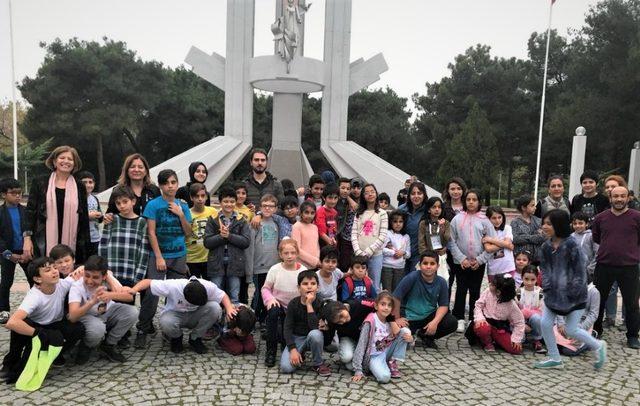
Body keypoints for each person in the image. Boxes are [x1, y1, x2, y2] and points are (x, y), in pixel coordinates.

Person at [534, 209, 607, 369]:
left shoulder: (572, 245)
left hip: (574, 297)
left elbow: (581, 272)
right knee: (545, 324)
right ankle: (555, 358)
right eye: (543, 223)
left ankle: (598, 345)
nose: (544, 227)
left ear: (558, 225)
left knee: (571, 329)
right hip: (552, 295)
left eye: (548, 223)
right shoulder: (546, 246)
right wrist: (547, 287)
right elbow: (544, 269)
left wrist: (570, 293)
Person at [1, 258, 85, 383]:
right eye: (48, 270)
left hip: (55, 324)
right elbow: (12, 322)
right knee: (21, 326)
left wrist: (80, 267)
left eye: (54, 268)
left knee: (78, 329)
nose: (54, 272)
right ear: (38, 279)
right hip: (36, 326)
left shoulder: (62, 284)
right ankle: (10, 363)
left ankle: (56, 356)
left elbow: (86, 268)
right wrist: (38, 333)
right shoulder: (34, 296)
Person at [136, 169, 192, 349]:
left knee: (177, 293)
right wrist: (159, 256)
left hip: (179, 254)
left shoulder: (182, 205)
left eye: (173, 182)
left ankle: (171, 330)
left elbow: (188, 233)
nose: (170, 186)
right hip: (158, 255)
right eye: (166, 183)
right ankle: (142, 328)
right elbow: (151, 232)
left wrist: (181, 214)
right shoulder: (153, 205)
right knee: (152, 293)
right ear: (160, 186)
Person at [126, 276, 236, 354]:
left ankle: (195, 338)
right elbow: (148, 282)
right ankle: (177, 338)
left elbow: (223, 296)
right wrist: (134, 290)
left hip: (196, 315)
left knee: (215, 307)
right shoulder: (173, 286)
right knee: (165, 321)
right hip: (176, 315)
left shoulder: (208, 286)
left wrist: (229, 308)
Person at [24, 145, 90, 263]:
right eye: (62, 158)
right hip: (42, 240)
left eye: (70, 159)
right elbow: (30, 212)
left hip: (72, 240)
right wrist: (27, 239)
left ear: (74, 164)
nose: (66, 161)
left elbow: (84, 218)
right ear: (54, 161)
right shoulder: (40, 182)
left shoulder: (80, 186)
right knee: (44, 273)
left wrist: (87, 248)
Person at [592, 186, 640, 349]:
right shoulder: (600, 218)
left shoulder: (637, 217)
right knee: (598, 300)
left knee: (632, 302)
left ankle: (633, 335)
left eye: (623, 196)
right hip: (604, 265)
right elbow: (597, 237)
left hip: (629, 266)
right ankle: (596, 330)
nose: (619, 199)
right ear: (610, 198)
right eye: (616, 196)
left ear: (628, 198)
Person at [67, 255, 137, 364]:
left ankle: (108, 345)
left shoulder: (108, 279)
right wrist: (92, 302)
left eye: (95, 277)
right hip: (87, 315)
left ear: (104, 276)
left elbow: (129, 297)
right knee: (97, 329)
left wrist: (110, 294)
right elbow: (72, 317)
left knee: (132, 312)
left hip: (107, 311)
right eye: (87, 276)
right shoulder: (77, 286)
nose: (90, 281)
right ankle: (86, 345)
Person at [449, 190, 496, 333]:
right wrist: (461, 258)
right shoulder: (457, 219)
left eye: (474, 199)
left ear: (478, 202)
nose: (471, 202)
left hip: (477, 263)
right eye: (468, 199)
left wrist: (480, 260)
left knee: (475, 290)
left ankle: (473, 318)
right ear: (464, 201)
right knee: (461, 289)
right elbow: (451, 241)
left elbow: (492, 244)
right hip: (461, 262)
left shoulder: (485, 221)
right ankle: (459, 318)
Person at [393, 251, 458, 349]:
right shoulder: (412, 277)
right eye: (425, 263)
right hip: (409, 317)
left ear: (437, 266)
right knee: (403, 342)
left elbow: (443, 305)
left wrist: (434, 322)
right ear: (420, 265)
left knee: (452, 322)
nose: (428, 266)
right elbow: (395, 297)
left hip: (428, 316)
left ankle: (425, 336)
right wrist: (397, 319)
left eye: (432, 264)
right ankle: (413, 333)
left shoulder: (441, 282)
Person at [261, 239, 307, 367]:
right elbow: (265, 288)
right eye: (286, 253)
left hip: (295, 307)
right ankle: (271, 350)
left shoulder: (302, 270)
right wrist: (270, 299)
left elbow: (307, 290)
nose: (289, 256)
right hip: (279, 304)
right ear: (280, 255)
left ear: (297, 253)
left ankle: (293, 346)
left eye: (292, 253)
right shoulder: (275, 269)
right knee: (273, 313)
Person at [203, 186, 250, 304]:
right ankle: (217, 320)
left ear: (236, 202)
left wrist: (229, 236)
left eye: (232, 201)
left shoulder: (241, 220)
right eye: (225, 201)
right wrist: (221, 236)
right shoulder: (213, 219)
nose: (229, 204)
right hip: (216, 262)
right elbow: (207, 242)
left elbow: (245, 242)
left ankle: (233, 321)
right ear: (220, 202)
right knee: (215, 296)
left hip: (235, 262)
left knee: (234, 296)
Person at [351, 291, 412, 383]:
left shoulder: (390, 320)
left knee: (406, 331)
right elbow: (361, 344)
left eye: (389, 305)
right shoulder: (370, 321)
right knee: (384, 378)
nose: (386, 308)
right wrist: (358, 370)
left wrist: (411, 340)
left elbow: (401, 338)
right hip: (374, 356)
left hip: (387, 351)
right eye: (383, 304)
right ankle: (378, 366)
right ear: (376, 306)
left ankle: (392, 362)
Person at [280, 270, 332, 376]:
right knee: (286, 368)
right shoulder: (293, 304)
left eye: (313, 284)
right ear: (299, 288)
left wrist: (309, 305)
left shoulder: (320, 303)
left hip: (312, 337)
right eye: (305, 284)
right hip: (296, 337)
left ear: (317, 287)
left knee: (315, 334)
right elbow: (287, 328)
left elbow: (314, 327)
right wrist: (293, 349)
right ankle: (300, 353)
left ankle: (318, 363)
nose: (309, 287)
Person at [247, 194, 287, 325]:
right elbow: (250, 247)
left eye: (271, 206)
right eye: (265, 206)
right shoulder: (255, 223)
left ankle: (264, 318)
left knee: (269, 293)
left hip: (273, 266)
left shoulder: (276, 223)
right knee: (259, 294)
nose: (267, 209)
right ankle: (255, 317)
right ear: (260, 207)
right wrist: (250, 268)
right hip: (259, 266)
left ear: (275, 209)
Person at [98, 185, 150, 287]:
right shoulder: (112, 220)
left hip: (131, 274)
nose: (122, 206)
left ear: (133, 201)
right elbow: (103, 246)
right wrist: (104, 270)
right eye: (118, 203)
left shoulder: (142, 222)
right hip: (111, 274)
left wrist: (139, 276)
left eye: (125, 202)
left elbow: (144, 251)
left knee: (127, 302)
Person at [470, 274, 524, 354]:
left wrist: (516, 339)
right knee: (482, 328)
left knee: (516, 349)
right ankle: (487, 342)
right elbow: (478, 305)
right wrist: (480, 318)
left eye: (492, 285)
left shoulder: (511, 304)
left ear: (499, 291)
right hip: (485, 322)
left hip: (499, 328)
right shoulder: (487, 292)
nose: (489, 285)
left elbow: (519, 322)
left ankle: (496, 340)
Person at [0, 178, 30, 324]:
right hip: (7, 252)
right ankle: (3, 310)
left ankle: (34, 308)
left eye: (20, 193)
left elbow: (31, 232)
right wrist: (8, 254)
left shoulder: (26, 211)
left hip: (26, 251)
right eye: (13, 193)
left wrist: (27, 251)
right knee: (6, 282)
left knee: (33, 278)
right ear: (4, 195)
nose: (18, 196)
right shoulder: (0, 213)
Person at [601, 175, 627, 328]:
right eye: (608, 187)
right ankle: (610, 317)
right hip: (608, 256)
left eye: (614, 186)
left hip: (628, 258)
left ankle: (627, 320)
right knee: (610, 290)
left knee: (629, 292)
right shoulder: (605, 210)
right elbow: (598, 235)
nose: (610, 190)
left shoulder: (633, 211)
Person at [351, 183, 388, 291]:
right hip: (359, 255)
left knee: (374, 285)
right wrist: (358, 252)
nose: (370, 194)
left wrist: (369, 251)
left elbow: (383, 235)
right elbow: (353, 234)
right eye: (366, 193)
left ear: (376, 194)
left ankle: (375, 306)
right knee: (360, 285)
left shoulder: (382, 213)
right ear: (363, 196)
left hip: (376, 255)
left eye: (372, 191)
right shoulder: (359, 213)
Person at [321, 300, 375, 371]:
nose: (343, 320)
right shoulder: (332, 321)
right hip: (348, 339)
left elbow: (377, 305)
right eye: (339, 322)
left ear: (343, 306)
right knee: (347, 358)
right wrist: (326, 330)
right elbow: (327, 342)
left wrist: (391, 320)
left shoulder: (359, 305)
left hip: (367, 339)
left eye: (341, 316)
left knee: (355, 364)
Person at [105, 153, 161, 218]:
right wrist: (108, 217)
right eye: (132, 167)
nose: (136, 170)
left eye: (140, 167)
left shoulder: (154, 190)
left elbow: (160, 213)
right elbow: (110, 213)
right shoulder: (118, 190)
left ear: (146, 171)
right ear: (127, 171)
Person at [186, 183, 218, 279]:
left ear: (207, 197)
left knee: (209, 288)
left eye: (203, 196)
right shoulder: (187, 213)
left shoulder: (212, 211)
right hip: (191, 258)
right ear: (191, 198)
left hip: (209, 258)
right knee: (193, 289)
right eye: (196, 196)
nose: (200, 199)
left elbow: (218, 230)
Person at [398, 182, 428, 273]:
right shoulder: (401, 209)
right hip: (401, 253)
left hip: (419, 255)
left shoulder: (428, 211)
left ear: (424, 195)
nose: (416, 196)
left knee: (414, 281)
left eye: (419, 193)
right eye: (413, 193)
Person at [483, 206, 516, 283]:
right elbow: (489, 249)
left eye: (499, 217)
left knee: (508, 292)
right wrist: (505, 244)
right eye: (493, 218)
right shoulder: (485, 231)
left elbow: (508, 243)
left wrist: (491, 240)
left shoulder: (507, 228)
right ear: (488, 219)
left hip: (508, 267)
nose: (497, 220)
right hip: (493, 270)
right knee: (494, 293)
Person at [518, 266, 545, 353]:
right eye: (526, 279)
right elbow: (514, 312)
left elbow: (542, 311)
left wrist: (526, 312)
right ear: (522, 278)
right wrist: (522, 323)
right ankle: (520, 340)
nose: (529, 282)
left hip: (534, 319)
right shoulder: (518, 292)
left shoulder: (540, 292)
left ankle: (536, 340)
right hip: (520, 320)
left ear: (537, 279)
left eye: (532, 280)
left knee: (536, 318)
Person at [510, 195, 546, 262]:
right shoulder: (515, 222)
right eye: (532, 205)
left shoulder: (539, 221)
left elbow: (544, 237)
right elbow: (515, 239)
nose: (535, 208)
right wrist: (536, 235)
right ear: (523, 207)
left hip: (538, 260)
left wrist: (523, 236)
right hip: (521, 260)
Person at [382, 210, 410, 292]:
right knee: (387, 291)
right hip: (387, 266)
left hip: (400, 267)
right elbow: (381, 249)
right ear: (390, 222)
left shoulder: (406, 236)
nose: (398, 224)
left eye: (400, 221)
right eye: (395, 221)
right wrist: (393, 253)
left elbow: (408, 253)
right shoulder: (387, 233)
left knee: (397, 291)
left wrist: (403, 253)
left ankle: (395, 305)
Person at [336, 178, 360, 273]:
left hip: (349, 237)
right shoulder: (333, 199)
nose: (345, 191)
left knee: (348, 263)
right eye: (343, 188)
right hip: (338, 235)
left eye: (348, 188)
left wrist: (348, 198)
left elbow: (356, 208)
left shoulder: (349, 201)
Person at [77, 171, 103, 256]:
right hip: (81, 239)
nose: (88, 185)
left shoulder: (95, 198)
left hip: (95, 238)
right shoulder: (76, 199)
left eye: (90, 182)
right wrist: (88, 216)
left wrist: (100, 216)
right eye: (84, 182)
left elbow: (100, 220)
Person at [291, 201, 320, 268]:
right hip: (301, 266)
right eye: (306, 212)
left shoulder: (314, 227)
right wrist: (314, 261)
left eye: (312, 213)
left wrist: (317, 259)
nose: (309, 216)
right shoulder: (297, 226)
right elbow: (297, 249)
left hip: (314, 265)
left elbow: (317, 245)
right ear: (301, 213)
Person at [570, 211, 598, 278]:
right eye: (575, 224)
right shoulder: (570, 237)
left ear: (586, 224)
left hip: (588, 272)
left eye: (580, 223)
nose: (577, 226)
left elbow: (597, 253)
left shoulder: (591, 236)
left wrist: (590, 269)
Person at [316, 184, 339, 249]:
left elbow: (334, 229)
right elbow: (321, 232)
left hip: (332, 242)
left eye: (335, 198)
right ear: (324, 198)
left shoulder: (335, 212)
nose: (333, 201)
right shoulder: (320, 211)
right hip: (323, 245)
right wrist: (330, 241)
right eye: (330, 198)